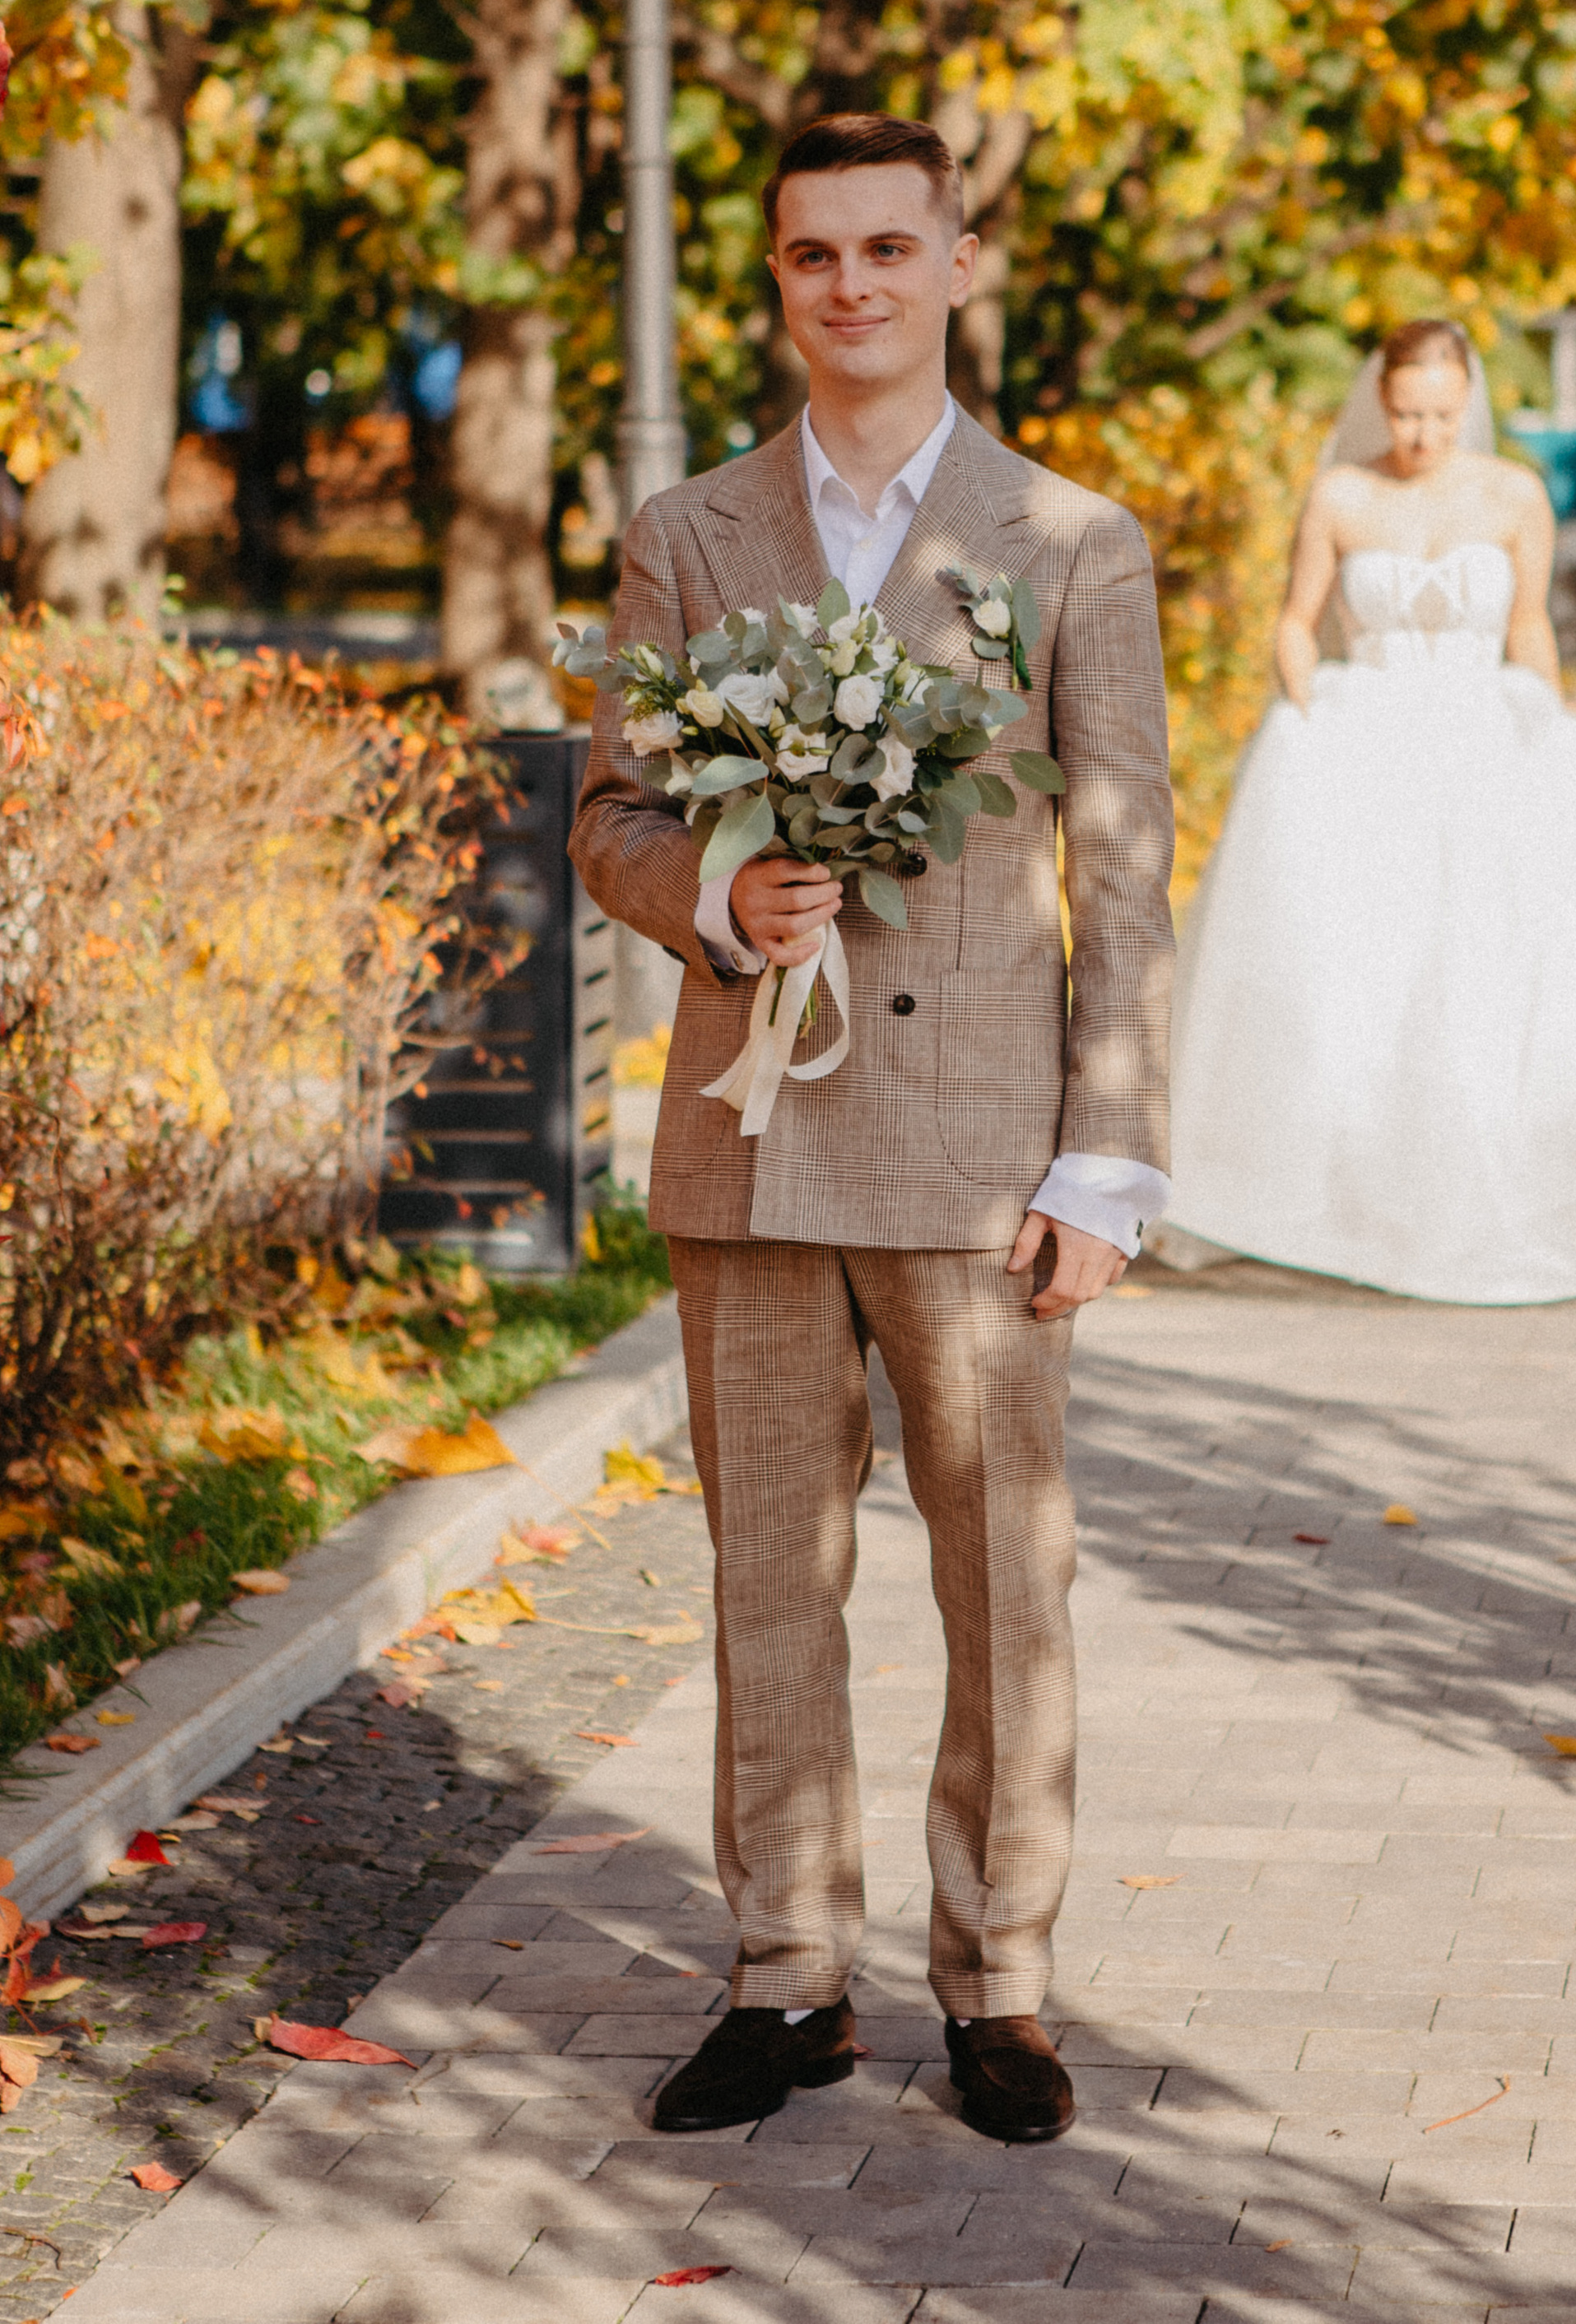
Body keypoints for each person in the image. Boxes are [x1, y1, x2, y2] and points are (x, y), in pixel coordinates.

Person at [569, 114, 1175, 2149]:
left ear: (957, 264)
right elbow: (613, 811)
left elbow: (1124, 867)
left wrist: (1112, 1152)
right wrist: (710, 899)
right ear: (775, 282)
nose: (851, 285)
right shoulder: (687, 530)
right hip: (749, 1139)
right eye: (812, 254)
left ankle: (998, 1980)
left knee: (1006, 1577)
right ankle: (784, 1976)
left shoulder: (1070, 538)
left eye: (888, 248)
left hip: (978, 1149)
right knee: (767, 1576)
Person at [1165, 318, 1576, 1302]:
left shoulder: (1511, 493)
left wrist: (1557, 708)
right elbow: (1295, 621)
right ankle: (1338, 1175)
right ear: (1381, 399)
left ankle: (1489, 1161)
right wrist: (1301, 701)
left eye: (1441, 414)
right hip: (1366, 733)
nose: (1422, 433)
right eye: (1405, 412)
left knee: (1478, 954)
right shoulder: (1344, 493)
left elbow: (1527, 622)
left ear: (1467, 402)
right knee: (1364, 958)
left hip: (1480, 731)